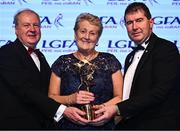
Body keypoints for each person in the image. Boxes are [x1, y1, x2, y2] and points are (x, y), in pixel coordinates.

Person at [92, 2, 180, 130]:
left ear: (151, 23)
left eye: (139, 20)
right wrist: (107, 106)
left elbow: (159, 92)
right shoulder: (130, 57)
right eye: (129, 23)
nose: (134, 27)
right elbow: (129, 94)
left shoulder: (165, 49)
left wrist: (117, 108)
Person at [0, 9, 87, 129]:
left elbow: (48, 91)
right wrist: (62, 110)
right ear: (16, 30)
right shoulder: (6, 53)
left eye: (36, 25)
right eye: (26, 25)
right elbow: (26, 90)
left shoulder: (40, 56)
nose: (32, 29)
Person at [48, 12, 123, 130]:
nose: (87, 37)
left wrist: (101, 108)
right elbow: (51, 97)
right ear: (75, 34)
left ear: (98, 38)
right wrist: (69, 99)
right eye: (83, 31)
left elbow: (119, 97)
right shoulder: (61, 62)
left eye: (92, 33)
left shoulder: (110, 60)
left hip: (103, 126)